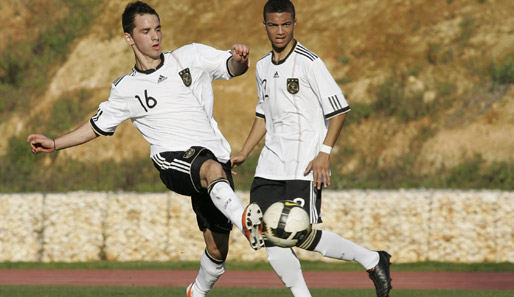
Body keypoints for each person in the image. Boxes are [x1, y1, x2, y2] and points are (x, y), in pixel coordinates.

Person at [27, 2, 264, 297]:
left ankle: (197, 291)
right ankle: (246, 221)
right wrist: (54, 143)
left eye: (158, 29)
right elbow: (96, 125)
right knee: (211, 170)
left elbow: (232, 67)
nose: (155, 37)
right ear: (129, 38)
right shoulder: (126, 89)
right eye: (146, 31)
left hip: (212, 156)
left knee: (217, 249)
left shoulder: (189, 56)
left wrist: (240, 59)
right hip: (172, 159)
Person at [231, 1, 392, 296]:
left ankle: (371, 259)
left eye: (286, 24)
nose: (280, 31)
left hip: (303, 163)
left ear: (295, 23)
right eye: (273, 25)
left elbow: (339, 111)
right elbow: (263, 114)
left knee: (299, 235)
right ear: (264, 25)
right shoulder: (263, 66)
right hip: (269, 165)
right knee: (270, 236)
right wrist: (245, 151)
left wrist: (324, 153)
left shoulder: (310, 62)